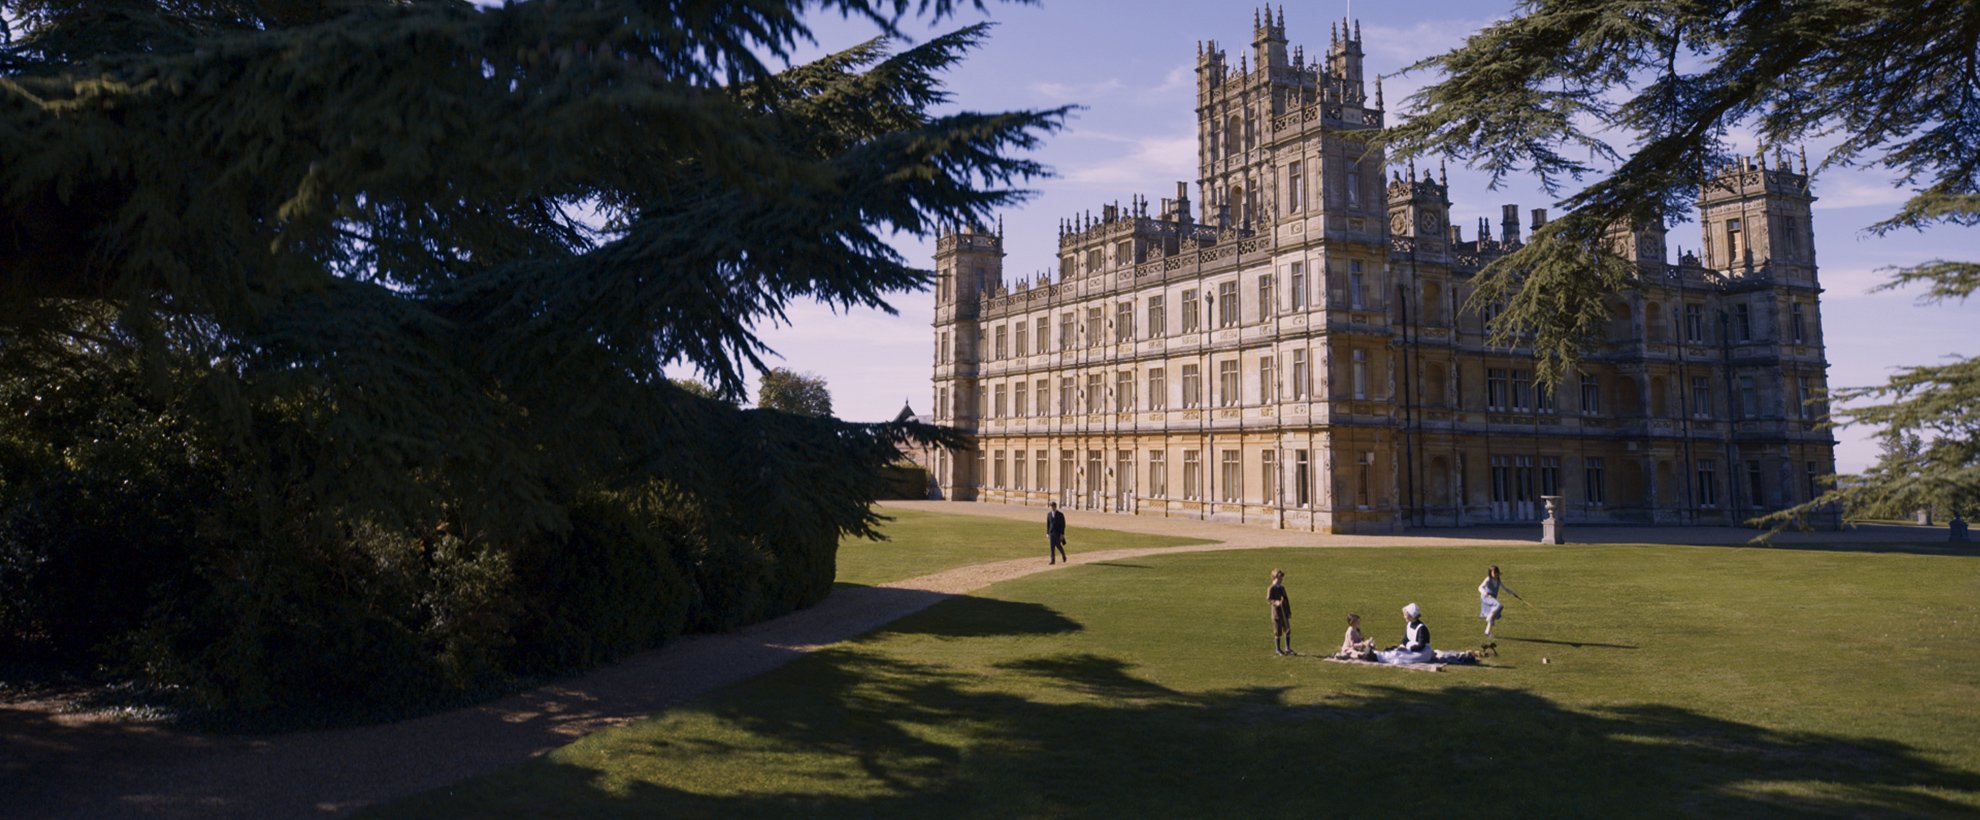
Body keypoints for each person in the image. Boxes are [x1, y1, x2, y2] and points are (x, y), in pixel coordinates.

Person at [1478, 564, 1518, 636]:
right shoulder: (1488, 579)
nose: (1496, 574)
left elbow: (1505, 589)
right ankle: (1489, 617)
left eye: (1497, 573)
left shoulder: (1498, 580)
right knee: (1499, 606)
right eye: (1494, 573)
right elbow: (1480, 587)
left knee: (1495, 613)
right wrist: (1484, 592)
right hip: (1486, 598)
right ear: (1490, 573)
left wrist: (1513, 593)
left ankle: (1487, 632)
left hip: (1492, 599)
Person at [1268, 569, 1293, 656]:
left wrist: (1288, 611)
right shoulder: (1271, 588)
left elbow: (1286, 599)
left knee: (1288, 630)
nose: (1281, 580)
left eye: (1281, 579)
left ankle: (1287, 648)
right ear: (1274, 578)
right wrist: (1276, 603)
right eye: (1279, 579)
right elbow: (1269, 599)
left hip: (1284, 612)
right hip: (1277, 614)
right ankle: (1278, 649)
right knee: (1278, 632)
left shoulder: (1282, 588)